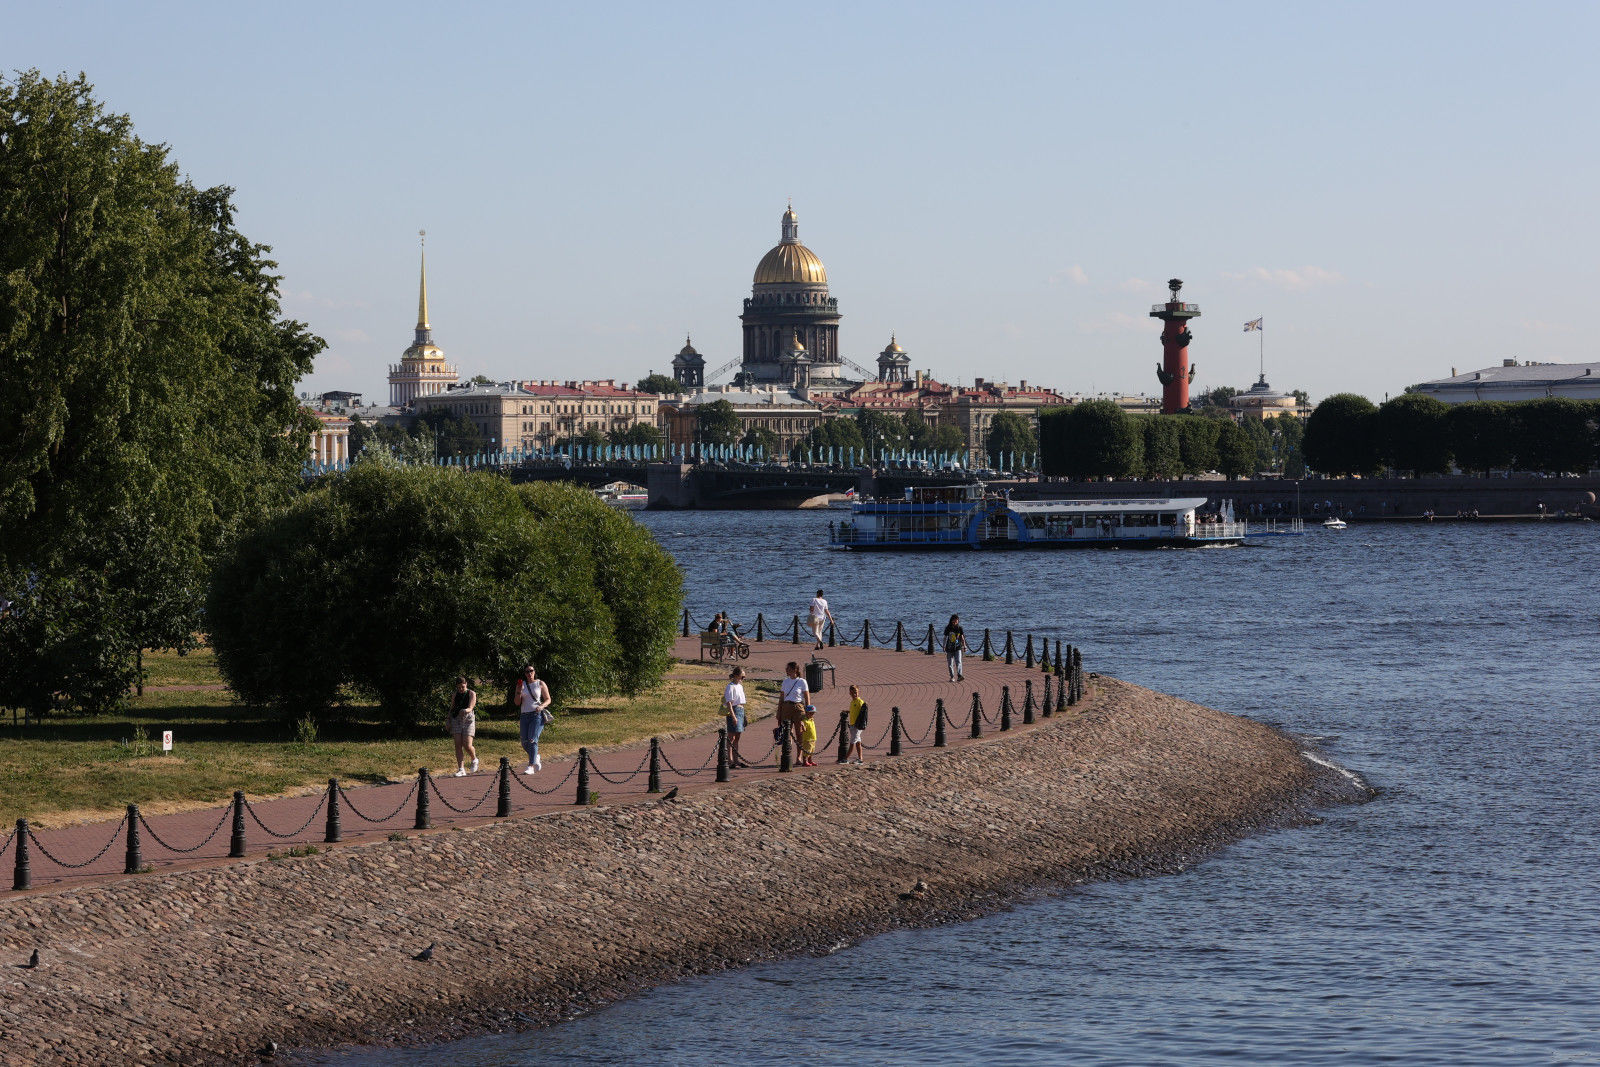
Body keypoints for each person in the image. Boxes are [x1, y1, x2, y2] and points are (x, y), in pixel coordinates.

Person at [515, 665, 552, 774]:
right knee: (524, 742)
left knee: (532, 740)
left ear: (534, 672)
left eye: (531, 671)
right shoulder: (522, 685)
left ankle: (530, 766)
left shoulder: (540, 683)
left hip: (536, 715)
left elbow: (548, 699)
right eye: (527, 672)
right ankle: (536, 756)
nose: (529, 673)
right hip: (524, 715)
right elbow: (517, 703)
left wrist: (542, 706)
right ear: (525, 674)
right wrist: (518, 691)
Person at [448, 676, 478, 776]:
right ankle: (461, 769)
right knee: (457, 744)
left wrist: (465, 710)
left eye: (463, 687)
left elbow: (471, 707)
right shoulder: (455, 694)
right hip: (456, 719)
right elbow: (452, 708)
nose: (461, 689)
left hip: (468, 719)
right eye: (459, 687)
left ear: (466, 685)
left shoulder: (471, 693)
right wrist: (448, 720)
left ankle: (474, 759)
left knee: (467, 745)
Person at [778, 660, 809, 753]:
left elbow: (807, 698)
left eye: (788, 669)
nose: (787, 670)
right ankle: (788, 754)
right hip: (786, 707)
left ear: (795, 670)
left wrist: (808, 711)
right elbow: (781, 698)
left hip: (798, 707)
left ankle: (799, 756)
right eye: (786, 669)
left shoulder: (802, 682)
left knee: (799, 733)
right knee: (787, 732)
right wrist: (778, 712)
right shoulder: (785, 682)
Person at [723, 666, 750, 768]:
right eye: (741, 677)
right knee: (731, 737)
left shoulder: (740, 686)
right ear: (735, 675)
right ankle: (730, 761)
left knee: (737, 737)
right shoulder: (730, 687)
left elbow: (741, 702)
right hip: (734, 711)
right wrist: (733, 716)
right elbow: (729, 703)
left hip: (740, 710)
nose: (742, 679)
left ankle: (736, 760)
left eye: (744, 677)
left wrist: (744, 715)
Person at [844, 684, 868, 764]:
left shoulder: (860, 702)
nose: (855, 694)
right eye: (853, 693)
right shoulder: (852, 702)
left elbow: (863, 713)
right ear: (850, 693)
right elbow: (854, 711)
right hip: (852, 724)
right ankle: (860, 758)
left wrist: (861, 724)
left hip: (857, 725)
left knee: (852, 742)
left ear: (858, 692)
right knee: (858, 742)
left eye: (856, 692)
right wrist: (848, 711)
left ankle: (845, 758)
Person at [943, 614, 965, 682]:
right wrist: (943, 646)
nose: (956, 621)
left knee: (958, 662)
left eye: (957, 620)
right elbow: (945, 638)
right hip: (949, 648)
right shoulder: (948, 628)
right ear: (952, 620)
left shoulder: (959, 628)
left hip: (958, 647)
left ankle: (959, 675)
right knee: (950, 664)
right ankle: (952, 677)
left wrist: (964, 646)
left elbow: (962, 638)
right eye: (955, 620)